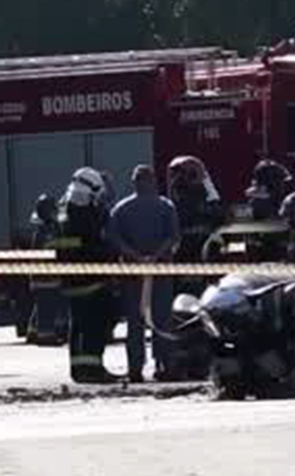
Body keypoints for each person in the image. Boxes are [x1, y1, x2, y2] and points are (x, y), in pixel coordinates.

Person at [107, 164, 180, 383]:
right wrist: (156, 256)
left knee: (135, 322)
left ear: (134, 182)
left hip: (134, 274)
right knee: (162, 320)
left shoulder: (120, 209)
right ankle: (164, 365)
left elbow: (115, 240)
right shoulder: (166, 206)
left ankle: (135, 369)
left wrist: (136, 257)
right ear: (152, 181)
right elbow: (174, 237)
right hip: (160, 272)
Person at [59, 168, 116, 383]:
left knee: (78, 325)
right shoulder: (84, 213)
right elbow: (95, 242)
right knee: (95, 324)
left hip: (71, 278)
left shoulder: (65, 209)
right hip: (91, 278)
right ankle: (93, 370)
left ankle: (78, 369)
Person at [26, 193, 69, 345]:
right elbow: (59, 250)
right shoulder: (50, 230)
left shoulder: (40, 229)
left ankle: (33, 331)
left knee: (42, 305)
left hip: (41, 276)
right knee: (47, 306)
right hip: (47, 276)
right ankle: (46, 336)